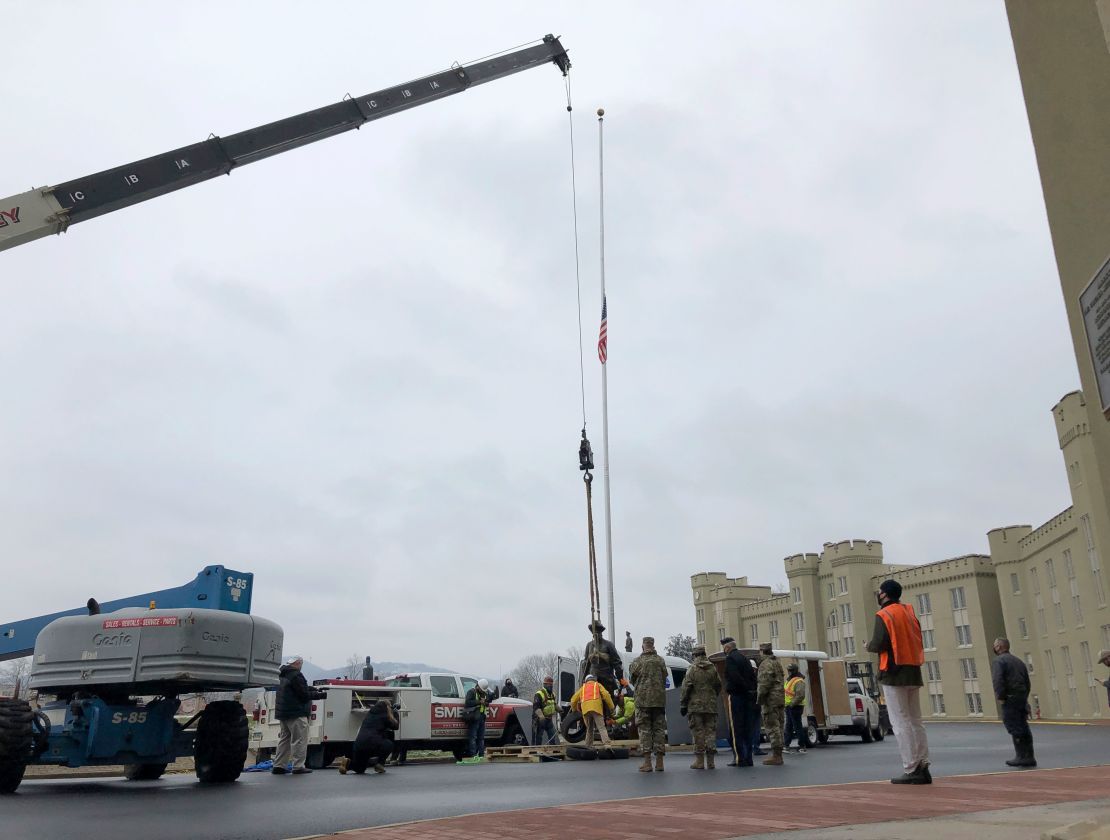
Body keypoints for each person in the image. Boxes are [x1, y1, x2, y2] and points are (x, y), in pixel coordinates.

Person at [866, 578, 931, 784]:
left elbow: (879, 643)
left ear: (884, 594)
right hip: (913, 670)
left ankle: (910, 767)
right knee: (915, 720)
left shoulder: (884, 614)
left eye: (879, 592)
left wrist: (869, 646)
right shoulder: (909, 612)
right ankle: (923, 765)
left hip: (893, 673)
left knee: (899, 721)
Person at [991, 637, 1036, 768]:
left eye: (995, 645)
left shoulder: (999, 661)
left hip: (1010, 697)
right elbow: (1027, 682)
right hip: (1021, 697)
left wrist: (1001, 696)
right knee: (1024, 726)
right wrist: (1025, 697)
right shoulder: (1018, 661)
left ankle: (1021, 756)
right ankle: (1029, 755)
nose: (994, 647)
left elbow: (998, 680)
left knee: (1014, 726)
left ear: (999, 647)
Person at [679, 644, 722, 769]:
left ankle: (699, 761)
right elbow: (718, 685)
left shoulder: (692, 669)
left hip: (695, 707)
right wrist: (712, 696)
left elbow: (686, 687)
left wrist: (683, 704)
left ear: (695, 655)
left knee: (698, 733)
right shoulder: (712, 668)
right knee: (710, 733)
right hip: (711, 706)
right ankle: (711, 761)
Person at [630, 635, 669, 772]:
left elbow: (632, 680)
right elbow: (664, 677)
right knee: (659, 730)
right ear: (653, 645)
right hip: (659, 700)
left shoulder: (637, 662)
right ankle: (660, 762)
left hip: (643, 701)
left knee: (645, 730)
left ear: (643, 646)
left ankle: (647, 763)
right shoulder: (660, 661)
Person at [273, 655, 313, 775]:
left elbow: (295, 690)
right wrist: (320, 695)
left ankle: (278, 765)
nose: (301, 666)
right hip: (296, 713)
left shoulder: (282, 674)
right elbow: (303, 695)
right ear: (297, 663)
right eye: (301, 664)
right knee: (299, 739)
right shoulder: (296, 675)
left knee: (284, 739)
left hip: (283, 713)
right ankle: (298, 766)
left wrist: (309, 689)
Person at [721, 637, 757, 767]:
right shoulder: (744, 658)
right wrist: (750, 691)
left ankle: (740, 758)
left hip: (737, 695)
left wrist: (742, 689)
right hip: (748, 697)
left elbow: (734, 677)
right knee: (747, 728)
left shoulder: (730, 659)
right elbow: (752, 678)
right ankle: (749, 757)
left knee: (736, 728)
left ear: (727, 648)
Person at [340, 699, 398, 775]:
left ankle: (348, 764)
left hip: (359, 745)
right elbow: (395, 726)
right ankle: (380, 764)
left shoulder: (370, 714)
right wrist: (396, 713)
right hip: (372, 743)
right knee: (389, 745)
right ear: (387, 707)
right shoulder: (384, 716)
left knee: (359, 769)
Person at [756, 642, 785, 766]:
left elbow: (764, 684)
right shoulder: (777, 663)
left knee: (772, 727)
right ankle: (779, 754)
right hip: (780, 699)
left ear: (762, 651)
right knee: (779, 726)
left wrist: (759, 699)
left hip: (770, 700)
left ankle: (776, 755)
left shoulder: (765, 664)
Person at [570, 674, 614, 748]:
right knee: (601, 728)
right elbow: (606, 695)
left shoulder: (582, 688)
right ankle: (607, 745)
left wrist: (574, 711)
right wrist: (611, 707)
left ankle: (588, 745)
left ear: (586, 680)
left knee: (589, 729)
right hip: (596, 709)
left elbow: (573, 700)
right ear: (594, 679)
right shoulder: (597, 685)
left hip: (586, 710)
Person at [581, 620, 624, 695]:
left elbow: (617, 663)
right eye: (594, 631)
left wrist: (621, 679)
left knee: (610, 702)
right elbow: (585, 665)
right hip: (593, 681)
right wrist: (584, 680)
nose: (596, 633)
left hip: (607, 681)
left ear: (601, 632)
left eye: (598, 631)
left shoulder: (608, 645)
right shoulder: (589, 645)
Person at [459, 678, 491, 764]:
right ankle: (473, 755)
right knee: (473, 737)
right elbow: (468, 703)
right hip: (473, 718)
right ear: (477, 686)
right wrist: (479, 702)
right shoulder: (471, 692)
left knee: (481, 738)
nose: (482, 690)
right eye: (481, 689)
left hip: (481, 717)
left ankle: (481, 755)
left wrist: (485, 703)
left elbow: (488, 702)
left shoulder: (484, 693)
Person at [783, 663, 811, 754]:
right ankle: (787, 745)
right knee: (789, 726)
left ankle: (801, 746)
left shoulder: (799, 681)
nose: (789, 672)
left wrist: (791, 704)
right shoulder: (790, 680)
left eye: (790, 670)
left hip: (795, 706)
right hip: (789, 706)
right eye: (788, 670)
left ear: (794, 670)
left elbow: (800, 695)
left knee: (797, 726)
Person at [533, 676, 559, 745]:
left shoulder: (553, 694)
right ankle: (537, 751)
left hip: (549, 720)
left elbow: (553, 704)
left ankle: (553, 751)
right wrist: (541, 717)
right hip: (540, 720)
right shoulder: (539, 694)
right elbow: (536, 707)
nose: (550, 686)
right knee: (539, 737)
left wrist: (560, 710)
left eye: (551, 684)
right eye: (549, 684)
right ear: (545, 684)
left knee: (552, 737)